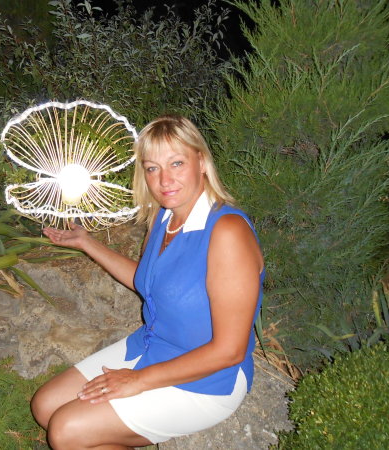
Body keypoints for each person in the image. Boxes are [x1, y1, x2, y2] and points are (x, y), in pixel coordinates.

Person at [31, 115, 265, 449]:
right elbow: (149, 282)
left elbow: (229, 351)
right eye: (152, 168)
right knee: (45, 406)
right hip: (152, 346)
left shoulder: (227, 232)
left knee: (66, 429)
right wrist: (87, 243)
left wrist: (138, 380)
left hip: (209, 377)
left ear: (201, 162)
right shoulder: (164, 216)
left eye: (176, 163)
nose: (164, 180)